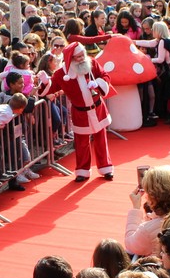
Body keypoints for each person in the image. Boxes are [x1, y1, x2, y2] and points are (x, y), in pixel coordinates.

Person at [42, 42, 115, 182]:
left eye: (83, 55)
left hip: (97, 109)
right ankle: (82, 171)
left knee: (101, 140)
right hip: (80, 113)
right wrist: (45, 83)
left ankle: (106, 168)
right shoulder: (61, 74)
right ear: (71, 58)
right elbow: (50, 89)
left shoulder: (92, 63)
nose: (82, 58)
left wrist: (98, 83)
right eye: (78, 56)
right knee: (81, 143)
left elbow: (105, 75)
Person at [124, 165, 170, 257]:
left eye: (147, 193)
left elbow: (130, 244)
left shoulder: (148, 229)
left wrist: (136, 208)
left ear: (153, 197)